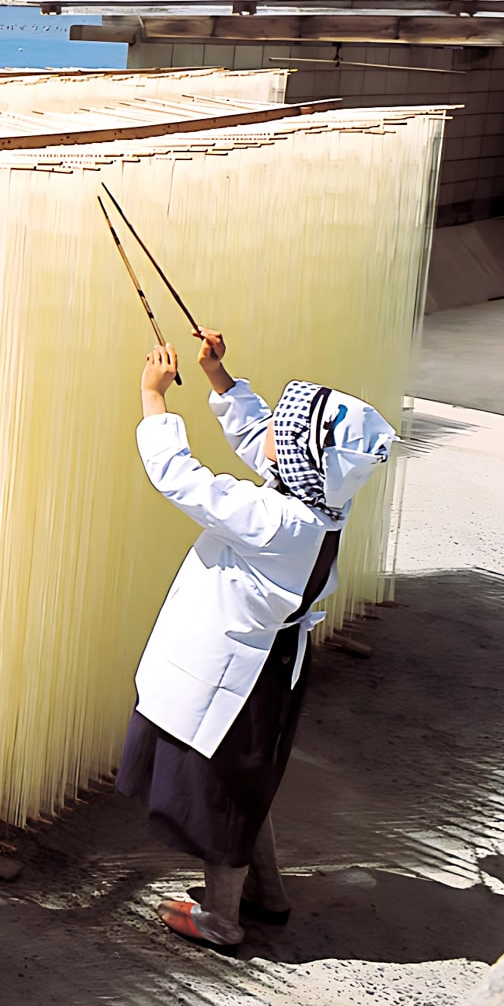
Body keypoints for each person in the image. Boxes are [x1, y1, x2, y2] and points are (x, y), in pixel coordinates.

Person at [116, 329, 396, 951]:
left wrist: (152, 398)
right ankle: (267, 894)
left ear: (297, 462)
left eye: (282, 432)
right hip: (270, 670)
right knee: (250, 782)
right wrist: (218, 375)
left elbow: (181, 479)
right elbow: (261, 437)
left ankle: (221, 918)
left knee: (224, 793)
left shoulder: (277, 519)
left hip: (241, 681)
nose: (267, 432)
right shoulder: (321, 501)